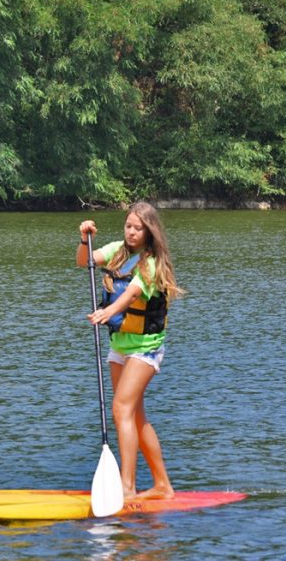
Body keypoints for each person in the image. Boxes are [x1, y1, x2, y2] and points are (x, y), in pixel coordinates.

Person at [76, 201, 184, 500]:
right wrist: (84, 238)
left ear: (149, 231)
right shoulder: (117, 251)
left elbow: (133, 294)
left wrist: (106, 312)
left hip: (145, 349)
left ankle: (127, 487)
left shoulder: (151, 263)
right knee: (134, 415)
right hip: (119, 346)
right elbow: (83, 261)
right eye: (128, 226)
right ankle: (163, 486)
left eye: (138, 228)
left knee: (121, 409)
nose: (132, 232)